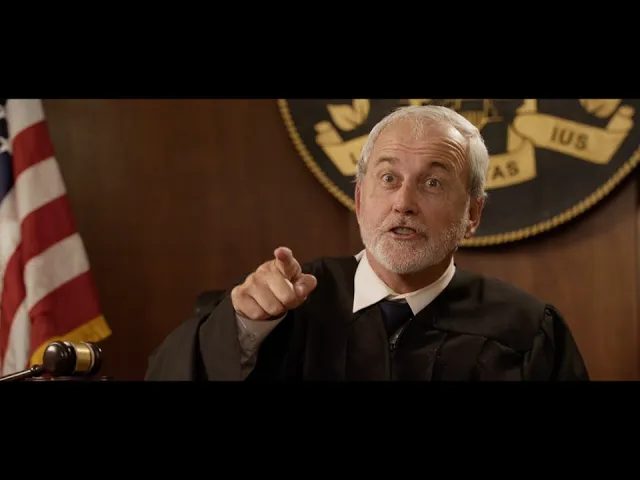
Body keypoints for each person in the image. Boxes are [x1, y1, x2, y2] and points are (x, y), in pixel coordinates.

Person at [144, 104, 590, 381]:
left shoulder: (526, 330)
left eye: (433, 182)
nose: (404, 203)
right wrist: (241, 327)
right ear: (360, 200)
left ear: (472, 214)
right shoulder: (288, 306)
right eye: (389, 178)